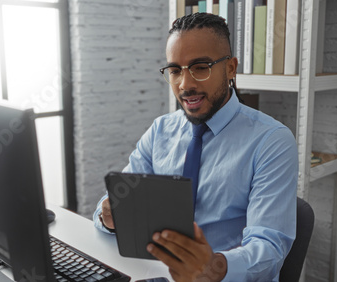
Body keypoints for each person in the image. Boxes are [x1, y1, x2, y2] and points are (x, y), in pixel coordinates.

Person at [93, 13, 298, 281]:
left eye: (201, 67)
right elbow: (116, 199)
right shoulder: (160, 131)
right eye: (175, 70)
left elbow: (269, 250)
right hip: (154, 273)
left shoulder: (271, 141)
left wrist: (214, 267)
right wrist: (109, 217)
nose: (185, 85)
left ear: (231, 68)